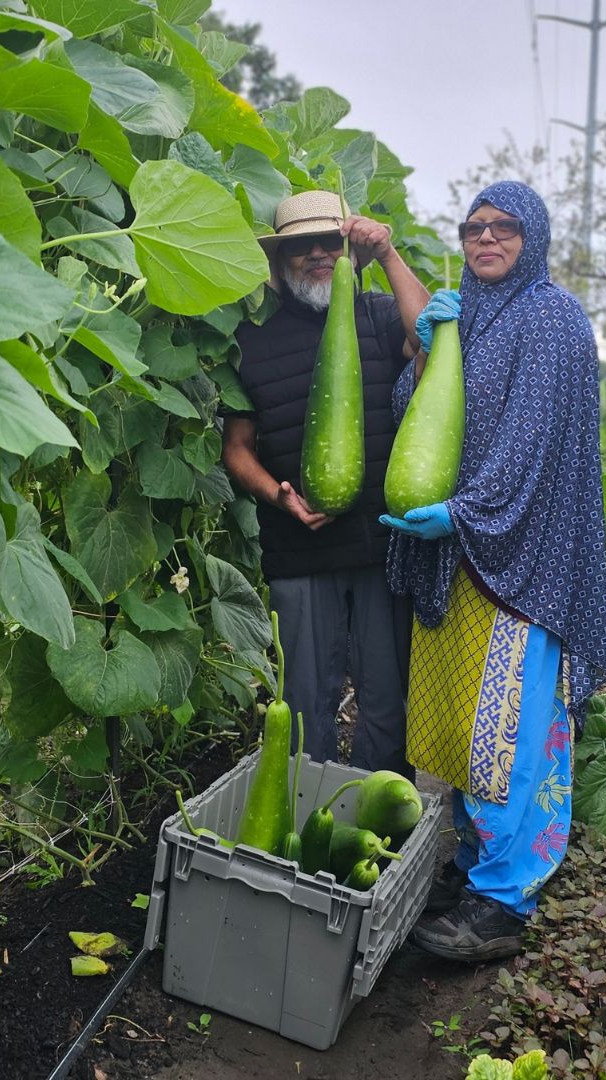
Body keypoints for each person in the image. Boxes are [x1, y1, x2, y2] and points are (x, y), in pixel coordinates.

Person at [380, 181, 606, 961]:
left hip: (521, 559)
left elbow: (532, 442)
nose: (485, 239)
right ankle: (475, 866)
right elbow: (414, 412)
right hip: (459, 559)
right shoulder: (468, 314)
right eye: (474, 227)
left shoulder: (551, 318)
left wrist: (464, 514)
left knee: (507, 733)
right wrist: (427, 346)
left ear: (532, 236)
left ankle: (505, 902)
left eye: (503, 228)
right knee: (459, 729)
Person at [222, 190, 430, 778]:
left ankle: (382, 825)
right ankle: (307, 825)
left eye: (328, 242)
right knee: (305, 703)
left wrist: (387, 254)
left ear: (349, 251)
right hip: (298, 548)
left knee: (387, 701)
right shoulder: (251, 342)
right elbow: (236, 449)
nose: (316, 253)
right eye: (299, 246)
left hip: (380, 545)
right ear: (280, 259)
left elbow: (436, 340)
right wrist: (277, 495)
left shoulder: (383, 316)